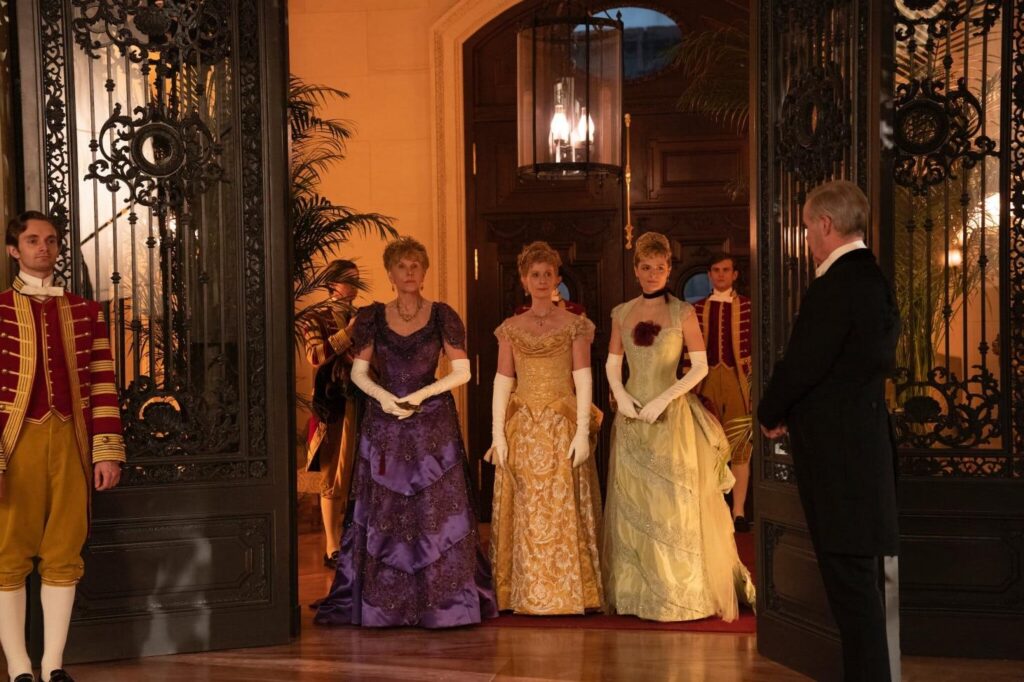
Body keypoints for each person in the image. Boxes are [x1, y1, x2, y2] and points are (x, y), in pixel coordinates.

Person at [757, 180, 901, 681]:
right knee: (857, 590)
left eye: (805, 228)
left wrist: (770, 411)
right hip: (860, 451)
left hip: (840, 461)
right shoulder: (872, 278)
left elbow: (803, 363)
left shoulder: (838, 283)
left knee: (853, 593)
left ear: (825, 224)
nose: (806, 238)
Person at [314, 237, 497, 628]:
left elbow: (462, 371)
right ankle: (386, 604)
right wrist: (385, 399)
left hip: (432, 423)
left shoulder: (442, 315)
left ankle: (443, 603)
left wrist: (419, 396)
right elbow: (359, 372)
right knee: (387, 511)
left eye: (416, 265)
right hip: (385, 423)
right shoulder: (371, 317)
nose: (409, 272)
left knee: (435, 512)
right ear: (390, 274)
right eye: (402, 266)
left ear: (425, 272)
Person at [602, 232, 754, 622]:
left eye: (660, 267)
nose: (653, 273)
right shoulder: (621, 313)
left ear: (669, 270)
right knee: (634, 502)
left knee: (672, 503)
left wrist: (663, 399)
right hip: (632, 417)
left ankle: (678, 592)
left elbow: (700, 366)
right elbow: (612, 362)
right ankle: (635, 592)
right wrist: (620, 394)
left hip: (671, 417)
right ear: (636, 270)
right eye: (646, 267)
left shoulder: (683, 312)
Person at [0, 211, 125, 682]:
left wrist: (106, 450)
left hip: (71, 442)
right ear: (14, 250)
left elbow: (103, 383)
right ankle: (18, 667)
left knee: (64, 552)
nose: (44, 248)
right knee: (7, 554)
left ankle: (53, 665)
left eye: (51, 240)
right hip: (14, 444)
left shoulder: (86, 311)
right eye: (33, 240)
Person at [487, 241, 603, 615]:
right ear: (524, 280)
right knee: (525, 508)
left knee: (561, 507)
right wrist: (497, 434)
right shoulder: (510, 329)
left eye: (547, 274)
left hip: (560, 425)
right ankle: (518, 592)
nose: (540, 280)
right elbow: (502, 381)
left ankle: (569, 592)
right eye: (534, 274)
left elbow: (583, 379)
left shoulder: (575, 325)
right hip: (522, 427)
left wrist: (582, 431)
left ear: (556, 279)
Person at [301, 259, 362, 569]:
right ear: (333, 283)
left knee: (358, 470)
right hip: (333, 401)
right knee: (332, 472)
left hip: (363, 398)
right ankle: (331, 544)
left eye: (356, 279)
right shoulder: (316, 316)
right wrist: (348, 334)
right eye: (348, 279)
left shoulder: (363, 315)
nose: (354, 285)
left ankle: (354, 541)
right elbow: (315, 356)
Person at [691, 253, 753, 531]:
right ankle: (712, 510)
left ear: (735, 274)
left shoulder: (749, 307)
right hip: (705, 382)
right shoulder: (696, 309)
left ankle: (738, 511)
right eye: (715, 270)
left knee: (740, 445)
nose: (720, 275)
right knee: (706, 446)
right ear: (709, 274)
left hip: (738, 383)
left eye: (726, 270)